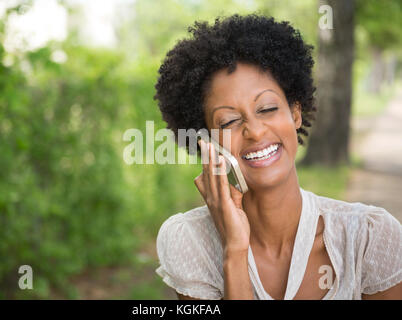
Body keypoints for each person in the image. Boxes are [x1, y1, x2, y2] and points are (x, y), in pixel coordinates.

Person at [153, 14, 402, 300]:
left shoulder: (369, 239)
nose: (255, 132)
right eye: (229, 121)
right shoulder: (190, 242)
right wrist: (234, 251)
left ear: (295, 113)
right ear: (206, 141)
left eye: (268, 108)